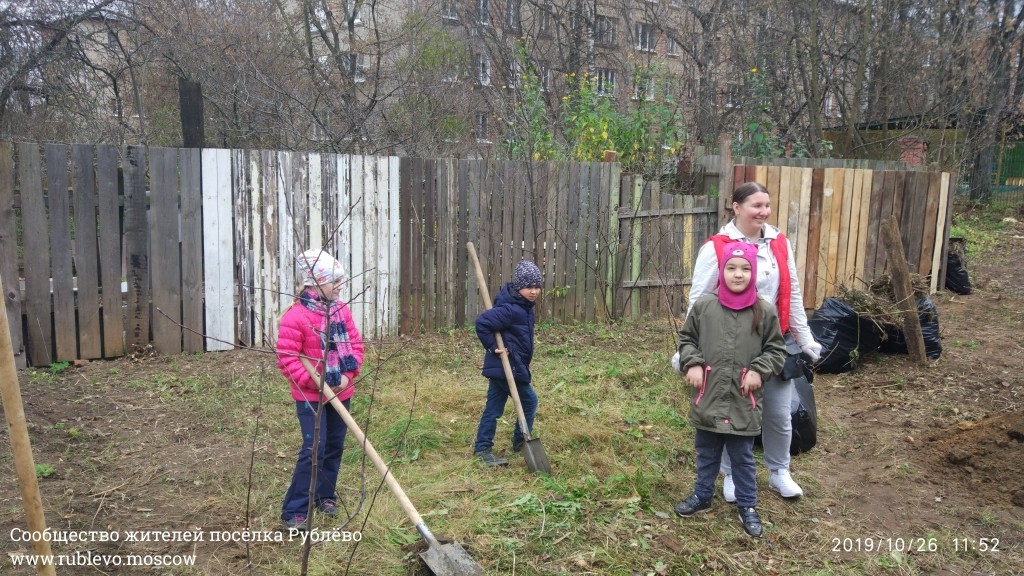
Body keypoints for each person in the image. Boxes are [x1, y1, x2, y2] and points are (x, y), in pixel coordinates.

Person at [676, 181, 822, 500]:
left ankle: (779, 471)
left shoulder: (778, 243)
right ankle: (729, 476)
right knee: (731, 411)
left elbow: (792, 293)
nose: (764, 212)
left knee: (780, 413)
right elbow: (698, 300)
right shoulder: (717, 246)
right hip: (728, 344)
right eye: (756, 205)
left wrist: (804, 336)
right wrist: (689, 354)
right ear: (737, 207)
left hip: (773, 340)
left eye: (767, 205)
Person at [673, 242, 787, 538]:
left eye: (746, 269)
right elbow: (687, 340)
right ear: (722, 271)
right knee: (707, 452)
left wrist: (759, 370)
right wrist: (693, 363)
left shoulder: (764, 310)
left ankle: (748, 505)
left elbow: (776, 349)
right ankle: (702, 495)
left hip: (742, 400)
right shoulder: (705, 306)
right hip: (708, 395)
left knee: (742, 458)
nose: (738, 274)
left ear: (754, 272)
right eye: (732, 268)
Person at [276, 249, 364, 531]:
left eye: (341, 281)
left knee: (334, 446)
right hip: (311, 397)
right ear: (315, 282)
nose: (340, 286)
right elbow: (287, 359)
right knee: (314, 449)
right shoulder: (296, 317)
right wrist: (316, 382)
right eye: (334, 282)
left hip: (341, 393)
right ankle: (296, 510)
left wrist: (348, 376)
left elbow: (356, 346)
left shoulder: (341, 310)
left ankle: (325, 496)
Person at [472, 260, 543, 467]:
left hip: (509, 366)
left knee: (493, 408)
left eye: (537, 287)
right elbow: (482, 323)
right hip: (508, 366)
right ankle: (521, 440)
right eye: (529, 287)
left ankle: (482, 447)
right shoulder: (513, 309)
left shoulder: (524, 307)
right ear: (519, 287)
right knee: (529, 400)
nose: (534, 291)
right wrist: (492, 346)